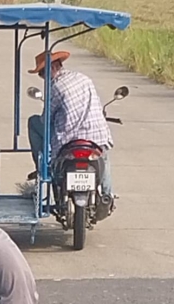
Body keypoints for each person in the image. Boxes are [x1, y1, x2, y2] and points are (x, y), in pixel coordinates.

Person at [27, 50, 114, 197]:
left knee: (33, 122)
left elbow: (46, 118)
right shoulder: (84, 78)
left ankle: (43, 168)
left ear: (52, 68)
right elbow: (97, 106)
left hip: (69, 139)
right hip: (96, 136)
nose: (43, 78)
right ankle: (108, 195)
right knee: (103, 155)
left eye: (42, 74)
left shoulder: (56, 87)